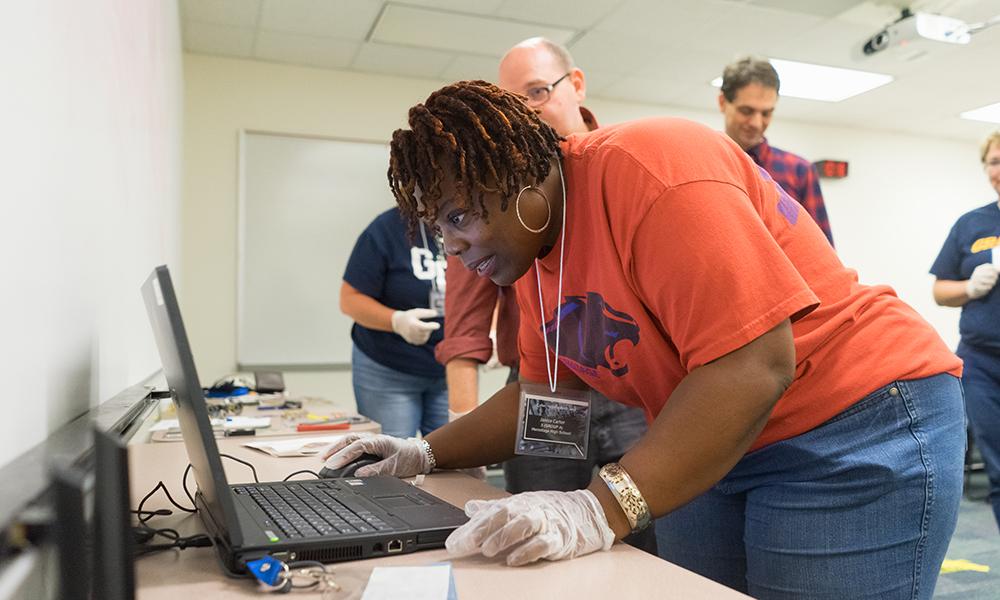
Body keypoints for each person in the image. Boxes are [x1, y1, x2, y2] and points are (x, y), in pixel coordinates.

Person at [326, 81, 965, 598]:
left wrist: (595, 509)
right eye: (441, 228)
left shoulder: (654, 167)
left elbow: (753, 368)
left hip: (851, 418)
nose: (454, 246)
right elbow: (549, 408)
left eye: (459, 216)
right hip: (718, 430)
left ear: (517, 175)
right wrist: (422, 453)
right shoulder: (537, 259)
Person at [434, 38, 652, 552]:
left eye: (537, 92)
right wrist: (461, 433)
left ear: (575, 84)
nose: (526, 114)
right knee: (536, 528)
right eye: (512, 104)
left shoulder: (622, 167)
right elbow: (465, 324)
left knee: (648, 525)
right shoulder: (489, 189)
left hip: (632, 384)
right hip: (545, 384)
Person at [930, 130, 1000, 530]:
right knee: (998, 469)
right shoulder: (971, 224)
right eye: (994, 161)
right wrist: (969, 287)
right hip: (982, 362)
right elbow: (940, 290)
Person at [340, 207, 448, 438]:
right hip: (388, 368)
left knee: (456, 456)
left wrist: (492, 330)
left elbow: (492, 285)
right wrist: (397, 321)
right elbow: (349, 300)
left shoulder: (469, 223)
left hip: (449, 367)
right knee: (391, 459)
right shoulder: (385, 229)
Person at [718, 56, 834, 246]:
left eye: (766, 113)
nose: (756, 123)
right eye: (746, 111)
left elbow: (824, 254)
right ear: (723, 102)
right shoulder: (706, 165)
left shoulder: (799, 171)